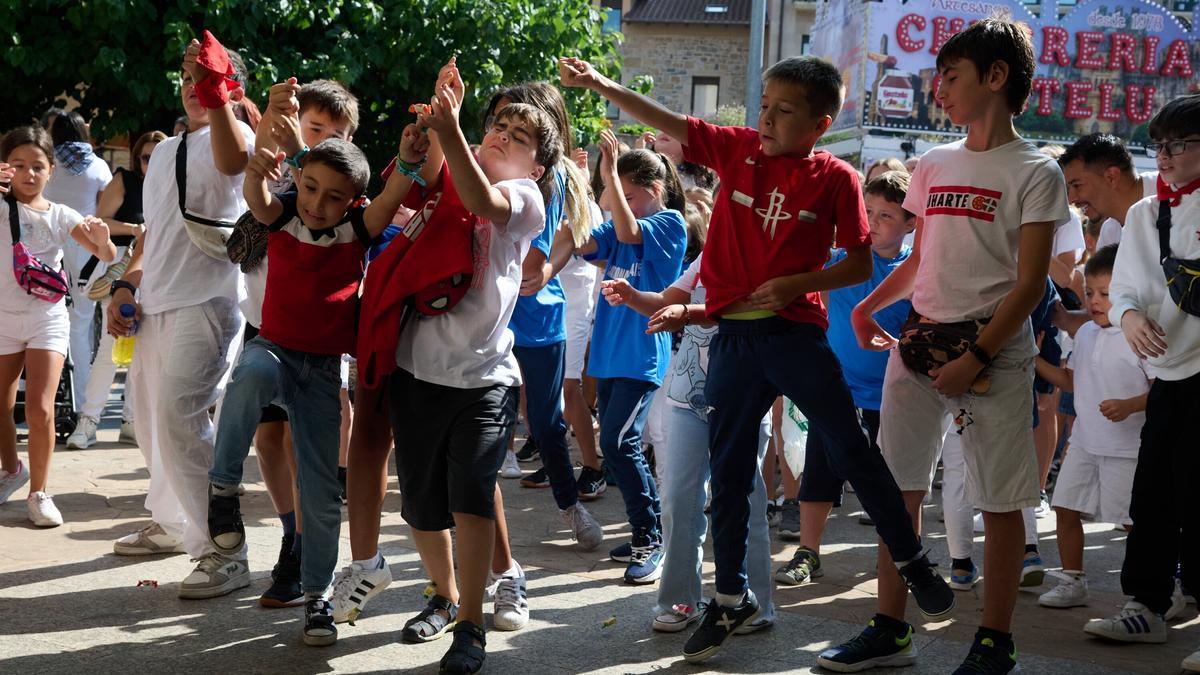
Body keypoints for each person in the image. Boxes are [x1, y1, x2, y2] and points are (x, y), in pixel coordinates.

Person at [560, 53, 951, 666]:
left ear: (821, 123)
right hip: (733, 342)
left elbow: (853, 261)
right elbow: (671, 119)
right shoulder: (736, 149)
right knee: (733, 471)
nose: (766, 119)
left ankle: (913, 561)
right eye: (764, 106)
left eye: (783, 111)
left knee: (851, 446)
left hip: (794, 336)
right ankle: (730, 597)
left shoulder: (835, 179)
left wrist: (800, 282)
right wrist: (603, 86)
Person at [833, 18, 1070, 673]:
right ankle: (889, 627)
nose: (940, 89)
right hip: (916, 345)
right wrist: (868, 310)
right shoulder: (932, 165)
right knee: (894, 489)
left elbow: (1028, 286)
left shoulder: (1036, 172)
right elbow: (920, 258)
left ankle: (995, 639)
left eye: (952, 76)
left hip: (994, 353)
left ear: (996, 77)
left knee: (999, 499)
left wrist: (977, 357)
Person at [365, 65, 558, 674]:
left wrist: (450, 132)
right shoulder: (450, 166)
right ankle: (443, 597)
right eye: (498, 124)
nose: (504, 134)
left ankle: (471, 624)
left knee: (473, 498)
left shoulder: (525, 200)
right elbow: (410, 182)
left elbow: (481, 198)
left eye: (520, 137)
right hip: (416, 371)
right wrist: (422, 137)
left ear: (538, 168)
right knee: (422, 506)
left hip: (485, 381)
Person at [206, 135, 401, 645]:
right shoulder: (283, 215)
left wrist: (411, 154)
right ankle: (223, 488)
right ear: (297, 181)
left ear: (353, 200)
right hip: (273, 349)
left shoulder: (359, 227)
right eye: (310, 187)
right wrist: (256, 171)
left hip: (321, 372)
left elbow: (393, 194)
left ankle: (317, 598)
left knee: (319, 490)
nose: (317, 203)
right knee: (248, 375)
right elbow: (257, 198)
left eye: (333, 196)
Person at [105, 32, 257, 595]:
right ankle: (174, 524)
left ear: (229, 87)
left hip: (207, 304)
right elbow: (157, 237)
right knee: (151, 428)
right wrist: (127, 286)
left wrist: (221, 100)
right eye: (189, 78)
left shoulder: (234, 133)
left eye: (208, 78)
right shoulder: (166, 150)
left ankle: (226, 549)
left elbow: (236, 160)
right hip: (155, 306)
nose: (194, 88)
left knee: (181, 422)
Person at [599, 239, 777, 635]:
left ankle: (756, 603)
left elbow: (744, 310)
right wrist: (632, 297)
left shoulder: (769, 252)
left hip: (745, 395)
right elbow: (665, 301)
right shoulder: (708, 254)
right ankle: (680, 601)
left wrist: (687, 312)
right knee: (679, 501)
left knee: (747, 499)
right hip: (686, 397)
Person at [230, 76, 360, 609]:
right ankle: (291, 535)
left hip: (320, 339)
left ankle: (309, 549)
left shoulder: (345, 198)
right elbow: (239, 246)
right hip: (266, 328)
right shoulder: (283, 187)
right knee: (268, 442)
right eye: (314, 128)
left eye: (338, 133)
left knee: (314, 451)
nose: (324, 140)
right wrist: (274, 175)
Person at [1082, 96, 1200, 666]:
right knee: (1152, 494)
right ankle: (1146, 606)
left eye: (1181, 143)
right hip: (1169, 375)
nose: (1167, 156)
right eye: (1161, 145)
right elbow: (1123, 284)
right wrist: (1126, 315)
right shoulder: (1145, 214)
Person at [775, 170, 915, 588]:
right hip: (835, 391)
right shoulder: (841, 260)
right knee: (818, 476)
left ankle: (895, 557)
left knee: (888, 484)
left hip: (889, 397)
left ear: (912, 223)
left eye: (887, 216)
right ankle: (807, 552)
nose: (873, 222)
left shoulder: (913, 270)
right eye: (868, 211)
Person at [571, 128, 688, 585]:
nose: (622, 201)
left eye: (631, 194)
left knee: (619, 445)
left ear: (653, 192)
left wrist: (609, 177)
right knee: (617, 446)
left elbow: (628, 228)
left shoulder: (669, 223)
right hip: (609, 356)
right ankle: (650, 528)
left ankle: (650, 538)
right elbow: (582, 241)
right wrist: (583, 184)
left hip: (640, 356)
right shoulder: (621, 222)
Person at [0, 126, 116, 525]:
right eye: (18, 165)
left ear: (51, 171)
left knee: (40, 408)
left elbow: (105, 250)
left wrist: (103, 240)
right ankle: (12, 470)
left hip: (46, 318)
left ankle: (40, 493)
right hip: (2, 320)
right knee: (1, 404)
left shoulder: (62, 214)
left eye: (37, 166)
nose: (28, 173)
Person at [1031, 244, 1149, 609]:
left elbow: (1163, 390)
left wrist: (1130, 405)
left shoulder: (1142, 335)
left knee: (1134, 523)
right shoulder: (1084, 335)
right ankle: (1072, 580)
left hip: (1128, 449)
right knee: (1065, 508)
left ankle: (1152, 590)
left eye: (1107, 294)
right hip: (1084, 442)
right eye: (1090, 293)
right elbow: (1071, 381)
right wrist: (1031, 358)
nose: (1095, 301)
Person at [66, 130, 165, 451]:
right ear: (137, 158)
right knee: (112, 344)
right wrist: (135, 229)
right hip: (122, 268)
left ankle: (131, 420)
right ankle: (89, 421)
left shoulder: (171, 184)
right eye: (145, 156)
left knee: (145, 347)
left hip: (158, 269)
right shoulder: (126, 180)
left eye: (155, 156)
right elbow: (99, 219)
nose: (149, 162)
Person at [42, 109, 113, 416]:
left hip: (48, 249)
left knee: (46, 325)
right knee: (82, 327)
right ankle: (82, 402)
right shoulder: (98, 166)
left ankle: (45, 399)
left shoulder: (47, 165)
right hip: (87, 253)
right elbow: (104, 209)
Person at [1059, 133, 1156, 250]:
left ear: (1111, 177)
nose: (1071, 200)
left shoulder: (1175, 194)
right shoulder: (1110, 232)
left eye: (1077, 185)